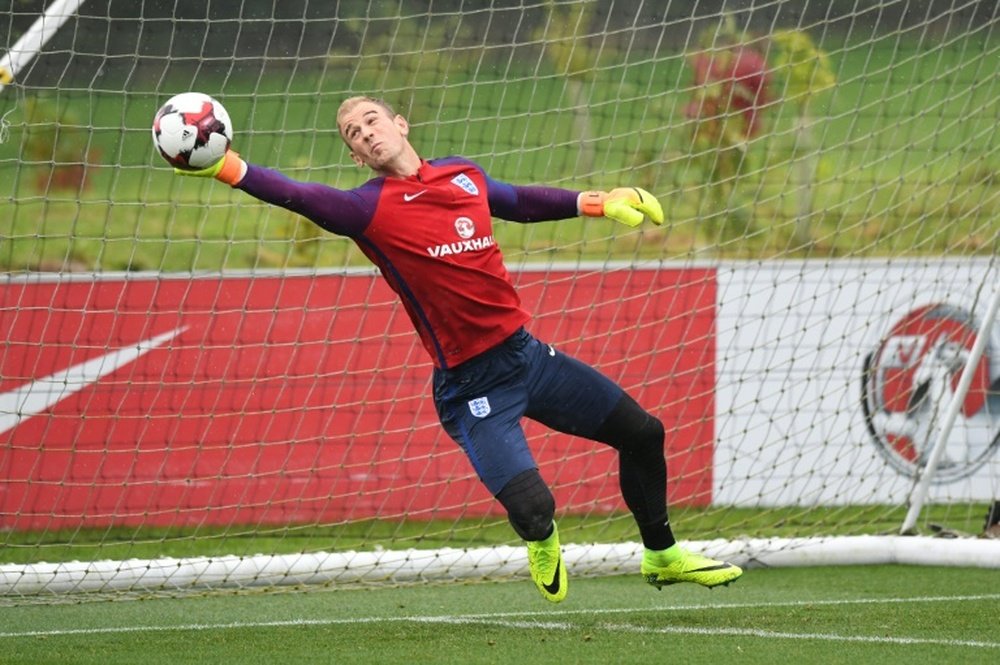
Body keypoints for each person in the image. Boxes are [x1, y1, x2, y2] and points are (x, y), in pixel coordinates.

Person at [178, 95, 742, 602]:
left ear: (400, 124)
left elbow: (519, 201)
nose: (365, 132)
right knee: (534, 509)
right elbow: (296, 194)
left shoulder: (462, 175)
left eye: (371, 120)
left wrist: (595, 201)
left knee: (643, 434)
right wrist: (223, 162)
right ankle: (541, 540)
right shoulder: (365, 210)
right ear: (356, 157)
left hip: (528, 359)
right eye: (352, 133)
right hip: (472, 388)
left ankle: (663, 556)